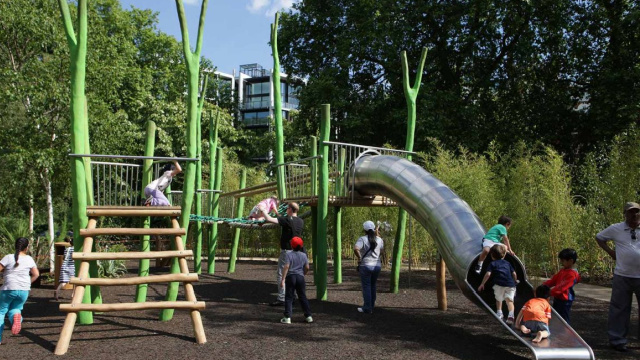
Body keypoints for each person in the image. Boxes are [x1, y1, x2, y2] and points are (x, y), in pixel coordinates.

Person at [595, 201, 640, 352]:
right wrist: (611, 253)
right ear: (625, 214)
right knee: (619, 309)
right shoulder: (616, 228)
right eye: (630, 212)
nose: (634, 214)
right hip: (622, 275)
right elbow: (599, 237)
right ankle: (617, 340)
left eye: (637, 211)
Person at [261, 202, 304, 306]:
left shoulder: (287, 220)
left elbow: (269, 219)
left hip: (287, 252)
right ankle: (293, 295)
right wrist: (276, 213)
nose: (286, 210)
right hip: (297, 252)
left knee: (281, 273)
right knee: (292, 273)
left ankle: (281, 298)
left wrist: (262, 210)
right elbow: (283, 220)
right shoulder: (300, 221)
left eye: (287, 208)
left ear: (290, 209)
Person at [0, 237, 39, 345]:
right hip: (24, 290)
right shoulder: (29, 259)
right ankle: (16, 318)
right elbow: (36, 274)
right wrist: (28, 283)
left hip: (9, 288)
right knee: (16, 309)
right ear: (26, 248)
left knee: (1, 311)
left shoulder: (8, 257)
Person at [477, 245, 518, 325]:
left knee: (498, 299)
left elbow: (488, 274)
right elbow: (514, 273)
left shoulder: (492, 263)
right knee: (509, 301)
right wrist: (515, 281)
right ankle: (511, 316)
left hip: (499, 284)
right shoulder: (507, 263)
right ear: (504, 255)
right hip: (510, 284)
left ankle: (499, 313)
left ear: (492, 255)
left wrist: (482, 284)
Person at [280, 236, 313, 324]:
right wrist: (303, 274)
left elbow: (286, 266)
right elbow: (307, 267)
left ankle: (287, 317)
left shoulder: (289, 254)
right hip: (300, 277)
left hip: (291, 277)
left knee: (289, 297)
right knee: (302, 296)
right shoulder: (304, 255)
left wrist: (283, 279)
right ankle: (308, 316)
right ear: (301, 246)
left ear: (292, 245)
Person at [543, 248, 580, 324]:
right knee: (556, 316)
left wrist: (549, 292)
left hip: (565, 300)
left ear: (570, 261)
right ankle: (558, 332)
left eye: (563, 261)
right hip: (558, 298)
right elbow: (554, 280)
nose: (561, 262)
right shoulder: (563, 271)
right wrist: (544, 285)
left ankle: (566, 334)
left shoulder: (571, 274)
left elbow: (562, 287)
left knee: (563, 319)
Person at [354, 220, 384, 314]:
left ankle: (367, 308)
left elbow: (356, 249)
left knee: (366, 286)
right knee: (373, 285)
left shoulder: (362, 239)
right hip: (377, 266)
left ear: (364, 229)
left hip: (366, 265)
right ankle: (371, 306)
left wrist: (359, 258)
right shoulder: (379, 239)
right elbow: (382, 251)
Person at [54, 236, 75, 301]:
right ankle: (73, 294)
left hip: (64, 265)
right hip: (72, 266)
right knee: (75, 281)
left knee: (64, 281)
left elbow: (64, 257)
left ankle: (57, 291)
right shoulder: (75, 249)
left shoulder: (67, 249)